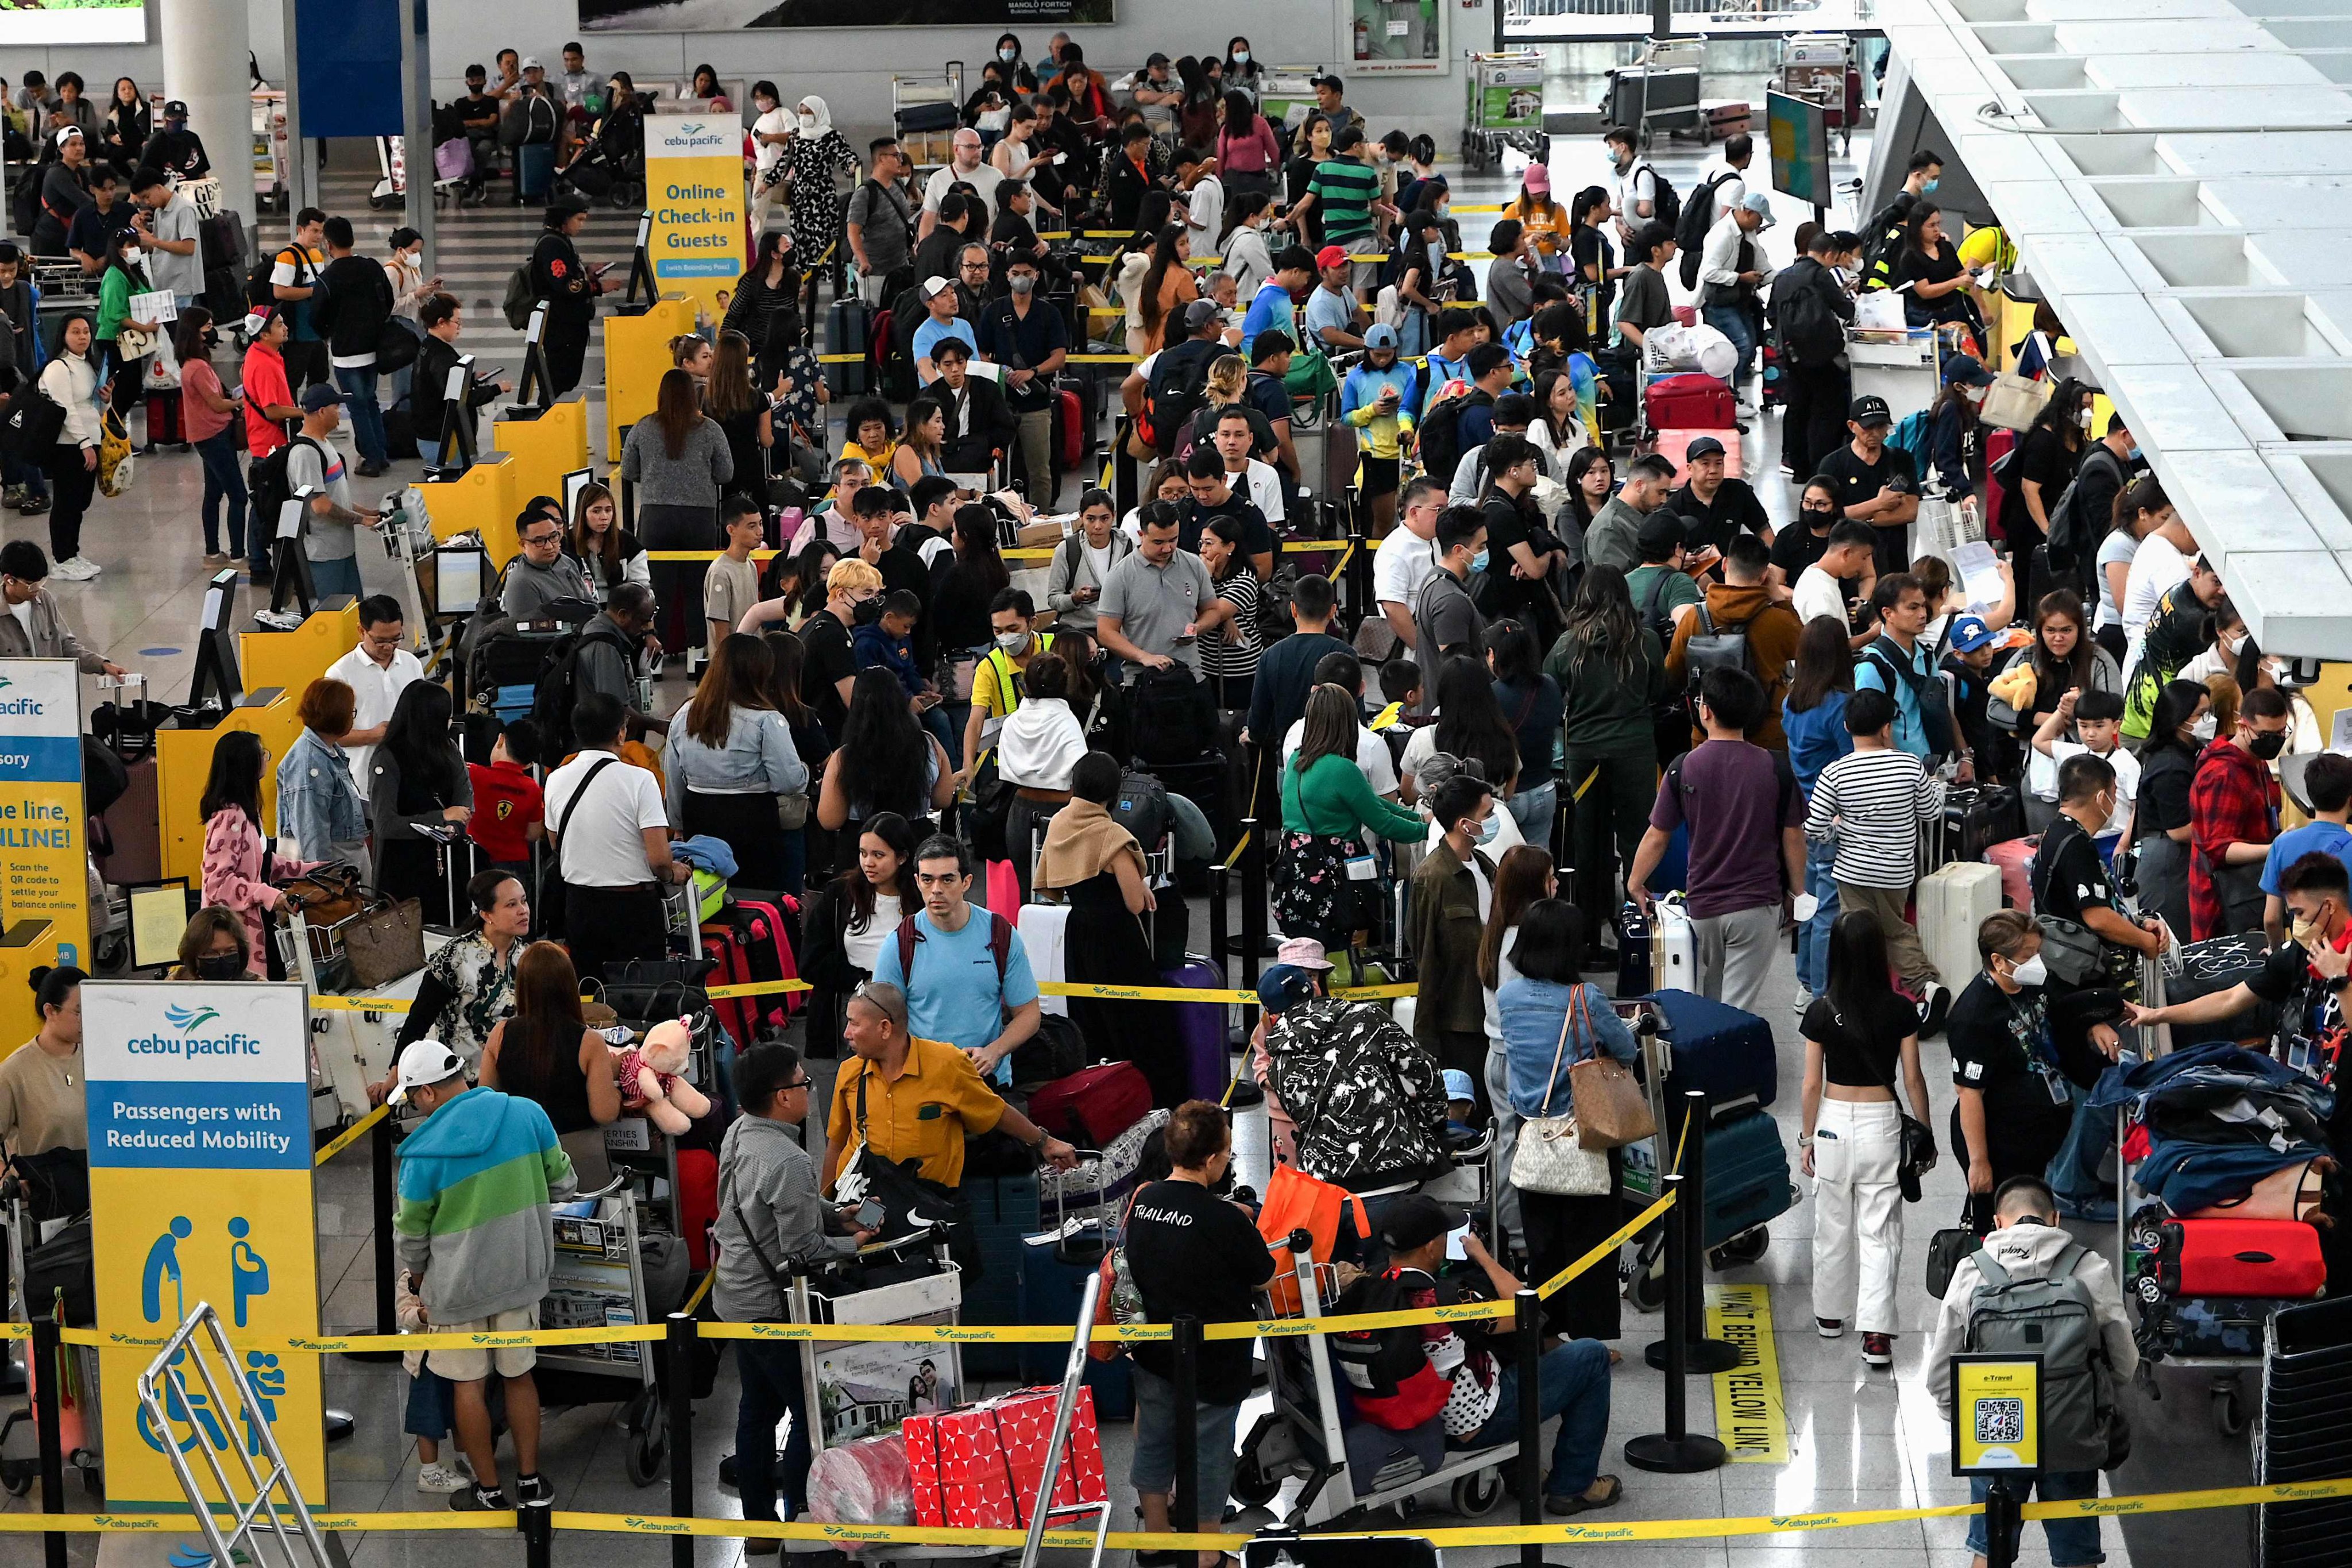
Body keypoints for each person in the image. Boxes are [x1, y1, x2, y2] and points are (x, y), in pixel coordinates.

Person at [388, 1037, 577, 1513]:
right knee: (519, 1377)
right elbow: (565, 1183)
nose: (413, 1108)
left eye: (411, 1098)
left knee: (467, 1386)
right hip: (520, 1275)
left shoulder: (422, 1154)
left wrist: (417, 1277)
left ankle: (490, 1491)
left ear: (427, 1093)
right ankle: (531, 1483)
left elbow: (411, 1235)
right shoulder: (527, 1114)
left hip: (455, 1289)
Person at [1926, 1174, 2138, 1568]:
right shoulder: (2089, 1267)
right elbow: (2123, 1358)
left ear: (1997, 1222)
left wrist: (1958, 1416)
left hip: (1994, 1431)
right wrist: (2098, 1399)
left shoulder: (1971, 1270)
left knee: (1989, 1549)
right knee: (2077, 1554)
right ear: (2055, 1219)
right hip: (2073, 1429)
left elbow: (1940, 1369)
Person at [1375, 1192, 1623, 1516]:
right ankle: (1574, 1487)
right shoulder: (1449, 1300)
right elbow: (1527, 1309)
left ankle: (1521, 1473)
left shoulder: (1373, 1284)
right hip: (1471, 1424)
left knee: (1501, 1352)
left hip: (1416, 1419)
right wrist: (1484, 1258)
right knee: (1590, 1356)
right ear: (1431, 1247)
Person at [715, 1043, 867, 1540]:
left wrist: (830, 1211)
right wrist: (855, 1239)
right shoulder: (789, 1159)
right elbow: (802, 1250)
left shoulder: (739, 1133)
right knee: (806, 1410)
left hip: (732, 1292)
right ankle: (803, 1518)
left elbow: (757, 1206)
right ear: (782, 1097)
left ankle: (760, 1526)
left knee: (757, 1408)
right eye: (803, 1083)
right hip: (768, 1304)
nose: (809, 1089)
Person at [1123, 1101, 1278, 1564]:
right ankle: (1207, 1554)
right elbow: (1264, 1276)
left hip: (1154, 1352)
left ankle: (1154, 1539)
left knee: (1153, 1438)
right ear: (1211, 1159)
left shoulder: (1144, 1199)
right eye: (1227, 1153)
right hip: (1214, 1361)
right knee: (1210, 1452)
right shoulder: (1224, 1219)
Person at [1493, 898, 1637, 1339]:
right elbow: (1626, 1052)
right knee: (1592, 1244)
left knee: (1543, 1244)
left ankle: (1548, 1333)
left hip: (1531, 1132)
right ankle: (1593, 1339)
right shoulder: (1584, 998)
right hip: (1584, 1131)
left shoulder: (1508, 996)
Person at [1799, 909, 1935, 1365]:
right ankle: (1875, 1335)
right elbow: (1913, 1078)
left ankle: (1829, 1316)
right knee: (1880, 1230)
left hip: (1833, 1122)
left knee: (1832, 1224)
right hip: (1881, 1121)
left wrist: (1806, 1139)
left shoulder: (1820, 1010)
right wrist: (1924, 1132)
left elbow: (1810, 1085)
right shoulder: (1900, 1009)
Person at [1628, 668, 1805, 1014]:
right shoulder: (1775, 768)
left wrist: (1636, 883)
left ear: (1705, 712)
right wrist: (1797, 894)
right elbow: (1793, 836)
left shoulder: (1684, 767)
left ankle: (1712, 1052)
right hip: (1757, 904)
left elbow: (1657, 835)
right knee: (1737, 1007)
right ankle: (1727, 1061)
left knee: (1713, 990)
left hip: (1704, 905)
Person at [820, 979, 1076, 1207]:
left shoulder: (947, 1065)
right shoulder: (850, 1073)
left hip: (929, 1209)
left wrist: (1045, 1143)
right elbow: (838, 1142)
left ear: (885, 1028)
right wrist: (826, 1209)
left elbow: (995, 1112)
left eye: (854, 1023)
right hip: (862, 1212)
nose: (847, 1034)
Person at [1945, 911, 2123, 1233]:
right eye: (2028, 956)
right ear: (1999, 961)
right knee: (2005, 1227)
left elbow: (2061, 1008)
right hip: (2001, 1139)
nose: (2037, 963)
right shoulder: (1974, 1017)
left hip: (2035, 1133)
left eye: (2038, 953)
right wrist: (1979, 1162)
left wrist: (2092, 1024)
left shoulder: (2029, 981)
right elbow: (1970, 1095)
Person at [1033, 750, 1185, 1103]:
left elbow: (1051, 890)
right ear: (1113, 793)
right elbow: (1134, 903)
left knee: (1094, 1024)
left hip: (1079, 934)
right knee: (1142, 1024)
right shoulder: (1112, 835)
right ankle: (1156, 1102)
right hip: (1117, 939)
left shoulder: (1059, 823)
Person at [1804, 688, 1949, 1032]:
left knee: (1853, 935)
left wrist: (1837, 831)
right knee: (1896, 932)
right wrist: (1937, 789)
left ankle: (1855, 1002)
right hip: (1897, 872)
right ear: (1887, 728)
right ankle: (1926, 987)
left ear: (1846, 726)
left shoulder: (1835, 773)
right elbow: (1931, 811)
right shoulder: (1910, 766)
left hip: (1852, 871)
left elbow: (1814, 827)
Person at [1547, 566, 1665, 944]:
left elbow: (1550, 690)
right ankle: (1638, 918)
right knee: (1636, 837)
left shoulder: (1568, 644)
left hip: (1584, 755)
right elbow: (1658, 691)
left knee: (1586, 840)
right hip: (1635, 751)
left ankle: (1588, 923)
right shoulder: (1644, 641)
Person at [544, 692, 690, 984]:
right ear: (621, 733)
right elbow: (660, 860)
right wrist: (674, 872)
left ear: (577, 732)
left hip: (579, 906)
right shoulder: (640, 780)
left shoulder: (555, 779)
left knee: (591, 994)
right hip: (632, 910)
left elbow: (556, 843)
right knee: (641, 996)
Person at [1277, 683, 1427, 949]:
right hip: (1335, 887)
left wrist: (1415, 816)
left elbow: (1374, 806)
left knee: (1308, 956)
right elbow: (1382, 821)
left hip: (1295, 876)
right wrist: (1427, 828)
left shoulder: (1297, 760)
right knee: (1341, 956)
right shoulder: (1342, 769)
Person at [621, 369, 733, 652]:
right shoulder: (710, 429)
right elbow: (726, 473)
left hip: (656, 517)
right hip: (700, 518)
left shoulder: (643, 427)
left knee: (656, 587)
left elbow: (628, 470)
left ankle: (658, 649)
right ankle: (696, 650)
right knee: (698, 587)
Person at [1663, 534, 1803, 753]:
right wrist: (1778, 598)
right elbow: (1804, 648)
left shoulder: (1693, 618)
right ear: (1765, 575)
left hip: (1707, 737)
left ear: (1726, 565)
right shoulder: (1778, 622)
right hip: (1766, 738)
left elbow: (1673, 674)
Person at [478, 940, 622, 1149]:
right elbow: (604, 1113)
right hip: (576, 1155)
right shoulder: (589, 1040)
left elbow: (486, 1105)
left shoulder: (500, 1033)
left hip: (520, 1155)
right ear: (570, 985)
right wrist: (616, 1093)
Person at [200, 731, 323, 975]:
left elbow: (264, 863)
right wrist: (268, 894)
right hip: (238, 935)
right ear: (248, 765)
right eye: (263, 754)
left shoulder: (247, 812)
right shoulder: (230, 818)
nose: (267, 758)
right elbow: (217, 884)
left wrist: (315, 870)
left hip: (261, 925)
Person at [799, 814, 921, 1059]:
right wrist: (859, 981)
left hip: (905, 1008)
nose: (868, 863)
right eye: (863, 853)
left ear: (903, 857)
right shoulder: (838, 894)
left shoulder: (921, 901)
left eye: (878, 855)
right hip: (843, 1007)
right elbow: (811, 963)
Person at [1411, 773, 1502, 1096]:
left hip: (1492, 1011)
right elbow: (1424, 958)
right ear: (1465, 824)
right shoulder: (1432, 879)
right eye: (1487, 815)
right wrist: (1426, 1041)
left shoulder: (1484, 865)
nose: (1493, 820)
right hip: (1459, 1021)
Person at [2191, 683, 2291, 940]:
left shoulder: (2256, 763)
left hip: (2250, 892)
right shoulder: (2222, 775)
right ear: (2242, 725)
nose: (2275, 742)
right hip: (2224, 903)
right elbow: (2220, 849)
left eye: (2282, 734)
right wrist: (2274, 849)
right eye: (2267, 736)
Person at [370, 682, 472, 926]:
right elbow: (385, 824)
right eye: (444, 717)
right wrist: (440, 818)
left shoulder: (448, 748)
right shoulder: (388, 757)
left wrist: (455, 827)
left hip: (447, 865)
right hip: (403, 871)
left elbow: (465, 799)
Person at [817, 668, 957, 838]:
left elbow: (830, 820)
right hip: (915, 842)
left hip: (861, 849)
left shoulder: (844, 756)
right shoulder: (929, 744)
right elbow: (943, 800)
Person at [1096, 504, 1227, 681]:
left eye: (1173, 540)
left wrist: (1198, 628)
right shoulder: (1120, 576)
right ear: (1141, 535)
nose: (1167, 548)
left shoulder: (1194, 565)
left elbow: (1212, 610)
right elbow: (1106, 632)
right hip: (1143, 681)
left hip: (1191, 675)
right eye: (1158, 542)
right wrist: (1143, 657)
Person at [284, 382, 382, 601]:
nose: (340, 412)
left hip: (342, 549)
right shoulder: (306, 454)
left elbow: (336, 495)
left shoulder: (324, 444)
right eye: (336, 407)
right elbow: (320, 506)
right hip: (325, 555)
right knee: (332, 619)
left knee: (353, 613)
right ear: (321, 412)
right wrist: (361, 521)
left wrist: (369, 513)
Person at [2130, 679, 2212, 944]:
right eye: (2201, 715)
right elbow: (2179, 830)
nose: (2208, 720)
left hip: (2172, 857)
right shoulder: (2171, 767)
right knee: (2175, 941)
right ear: (2180, 718)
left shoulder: (2183, 754)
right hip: (2167, 863)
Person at [311, 217, 393, 476]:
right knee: (371, 402)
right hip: (374, 348)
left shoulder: (327, 278)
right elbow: (388, 300)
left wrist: (328, 333)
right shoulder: (371, 267)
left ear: (329, 244)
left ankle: (372, 460)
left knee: (357, 406)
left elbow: (316, 316)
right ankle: (381, 452)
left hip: (346, 354)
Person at [171, 309, 249, 565]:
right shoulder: (198, 368)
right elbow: (216, 404)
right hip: (214, 434)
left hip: (206, 433)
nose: (211, 331)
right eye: (207, 326)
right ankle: (238, 554)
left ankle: (213, 551)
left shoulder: (193, 364)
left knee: (214, 494)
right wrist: (240, 402)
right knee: (238, 494)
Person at [2001, 377, 2095, 578]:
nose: (2087, 412)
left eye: (2089, 406)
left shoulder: (2077, 438)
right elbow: (2030, 489)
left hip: (2060, 522)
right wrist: (2048, 530)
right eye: (2082, 407)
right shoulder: (2043, 440)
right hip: (2033, 528)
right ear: (2066, 408)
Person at [1819, 395, 1921, 578]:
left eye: (1881, 427)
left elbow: (1910, 512)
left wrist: (1862, 519)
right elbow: (1829, 515)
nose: (1875, 433)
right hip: (1851, 563)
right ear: (1852, 426)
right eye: (1868, 427)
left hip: (1893, 557)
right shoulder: (1833, 464)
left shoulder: (1901, 460)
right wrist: (1879, 504)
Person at [35, 312, 104, 578]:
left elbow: (90, 406)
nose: (83, 337)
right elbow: (66, 410)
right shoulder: (58, 368)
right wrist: (84, 443)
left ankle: (73, 553)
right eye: (76, 332)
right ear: (63, 335)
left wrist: (105, 399)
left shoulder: (86, 364)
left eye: (86, 331)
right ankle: (62, 560)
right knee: (66, 502)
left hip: (89, 440)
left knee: (79, 502)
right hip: (68, 445)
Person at [276, 676, 367, 865]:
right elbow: (312, 831)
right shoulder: (310, 764)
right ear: (337, 715)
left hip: (347, 857)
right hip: (335, 863)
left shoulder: (330, 751)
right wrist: (325, 878)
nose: (353, 717)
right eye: (351, 712)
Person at [2, 965, 87, 1164]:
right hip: (47, 1188)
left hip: (103, 1186)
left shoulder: (99, 1059)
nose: (87, 1019)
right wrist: (7, 1177)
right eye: (78, 1011)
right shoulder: (14, 1072)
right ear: (50, 1011)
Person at [0, 541, 123, 672]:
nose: (37, 589)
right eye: (31, 585)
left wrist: (102, 665)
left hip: (52, 685)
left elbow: (65, 645)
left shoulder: (44, 598)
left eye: (40, 582)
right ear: (9, 580)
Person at [412, 293, 504, 468]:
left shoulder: (428, 347)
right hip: (445, 440)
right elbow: (461, 398)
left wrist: (472, 378)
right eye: (457, 322)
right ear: (441, 322)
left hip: (433, 436)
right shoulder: (441, 356)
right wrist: (496, 389)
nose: (459, 327)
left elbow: (442, 385)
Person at [529, 197, 604, 395]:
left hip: (569, 326)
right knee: (558, 384)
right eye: (579, 219)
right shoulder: (552, 246)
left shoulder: (561, 241)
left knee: (565, 381)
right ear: (564, 218)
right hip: (562, 328)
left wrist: (587, 272)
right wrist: (599, 287)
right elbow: (566, 285)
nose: (582, 225)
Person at [461, 714, 544, 879]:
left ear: (500, 740)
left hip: (480, 861)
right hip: (517, 866)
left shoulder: (472, 774)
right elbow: (533, 834)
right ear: (529, 764)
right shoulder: (533, 789)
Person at [1658, 435, 1770, 558]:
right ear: (1690, 469)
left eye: (1719, 463)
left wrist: (1774, 565)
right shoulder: (1674, 507)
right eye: (1705, 464)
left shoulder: (1738, 492)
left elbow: (1763, 530)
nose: (1713, 470)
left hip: (1732, 571)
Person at [1043, 489, 1130, 640]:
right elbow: (1053, 599)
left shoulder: (1129, 549)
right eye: (1091, 519)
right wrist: (1075, 598)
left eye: (1105, 519)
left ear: (1114, 516)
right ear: (1081, 517)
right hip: (1079, 632)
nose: (1098, 526)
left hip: (1121, 631)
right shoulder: (1067, 550)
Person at [1581, 452, 1674, 576]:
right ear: (1640, 485)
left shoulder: (1645, 515)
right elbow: (1617, 586)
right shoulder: (1608, 529)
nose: (1664, 500)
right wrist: (1668, 566)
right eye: (1660, 493)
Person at [167, 908, 252, 983]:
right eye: (210, 953)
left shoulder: (257, 987)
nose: (221, 959)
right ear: (193, 954)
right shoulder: (175, 984)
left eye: (230, 951)